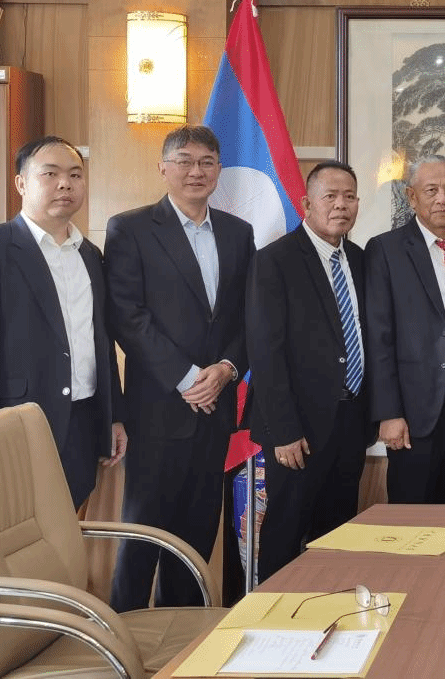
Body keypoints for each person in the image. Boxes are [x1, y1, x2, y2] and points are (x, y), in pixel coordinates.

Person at [103, 125, 254, 610]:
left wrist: (227, 368)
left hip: (216, 408)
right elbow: (127, 316)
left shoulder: (238, 233)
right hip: (158, 410)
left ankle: (181, 634)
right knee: (143, 535)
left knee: (196, 536)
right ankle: (123, 632)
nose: (196, 171)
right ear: (163, 168)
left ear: (219, 169)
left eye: (207, 161)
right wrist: (188, 378)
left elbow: (248, 316)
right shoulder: (130, 228)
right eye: (184, 160)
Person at [0, 136, 126, 506]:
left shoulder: (90, 255)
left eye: (75, 175)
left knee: (67, 529)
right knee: (16, 532)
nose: (65, 184)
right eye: (50, 174)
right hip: (15, 426)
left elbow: (100, 342)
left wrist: (113, 416)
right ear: (21, 183)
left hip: (82, 425)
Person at [248, 161, 373, 579]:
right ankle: (275, 614)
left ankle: (330, 607)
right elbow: (265, 352)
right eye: (330, 196)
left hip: (350, 420)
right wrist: (284, 430)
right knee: (286, 530)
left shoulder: (360, 259)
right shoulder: (275, 260)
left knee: (338, 533)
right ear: (306, 203)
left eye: (349, 197)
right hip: (297, 428)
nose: (341, 205)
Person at [365, 156, 445, 503]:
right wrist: (389, 413)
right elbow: (379, 338)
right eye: (431, 190)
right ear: (412, 196)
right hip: (414, 409)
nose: (443, 199)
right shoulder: (385, 250)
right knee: (412, 515)